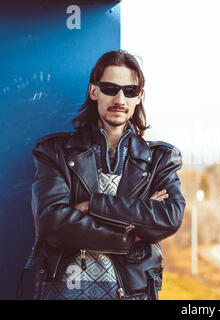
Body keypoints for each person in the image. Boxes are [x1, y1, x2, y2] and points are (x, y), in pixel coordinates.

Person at [18, 50, 185, 300]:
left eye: (129, 91)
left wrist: (92, 204)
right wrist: (128, 237)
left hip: (131, 293)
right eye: (110, 88)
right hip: (62, 293)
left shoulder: (160, 160)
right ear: (94, 91)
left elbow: (168, 217)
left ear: (139, 97)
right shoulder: (54, 152)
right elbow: (51, 222)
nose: (120, 98)